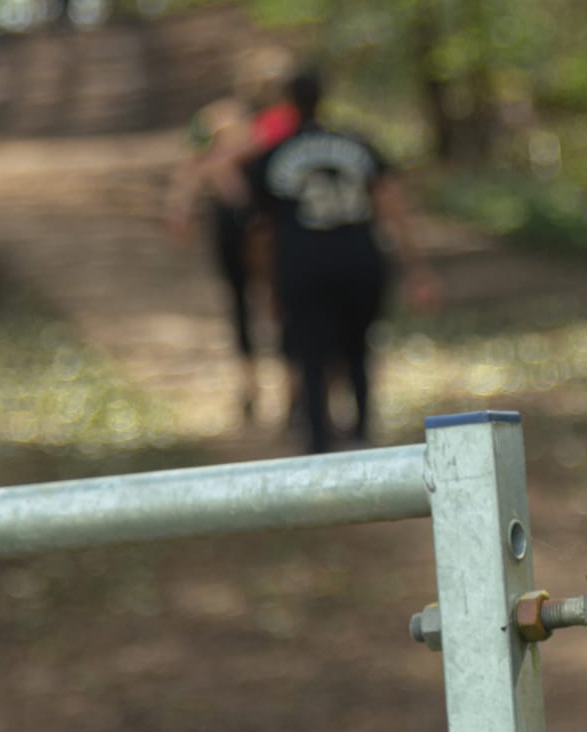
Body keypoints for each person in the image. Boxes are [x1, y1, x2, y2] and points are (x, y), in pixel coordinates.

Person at [244, 69, 439, 454]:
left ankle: (318, 442)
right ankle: (363, 432)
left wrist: (265, 284)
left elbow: (260, 231)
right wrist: (417, 267)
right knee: (358, 350)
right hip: (360, 261)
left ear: (289, 101)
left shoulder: (272, 157)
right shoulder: (359, 145)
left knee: (310, 355)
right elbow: (391, 208)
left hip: (303, 266)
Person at [165, 49, 299, 424]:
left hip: (270, 222)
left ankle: (286, 388)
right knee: (247, 303)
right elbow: (194, 167)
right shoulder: (220, 119)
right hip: (242, 223)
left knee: (278, 305)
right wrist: (182, 208)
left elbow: (198, 169)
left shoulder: (283, 122)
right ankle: (253, 386)